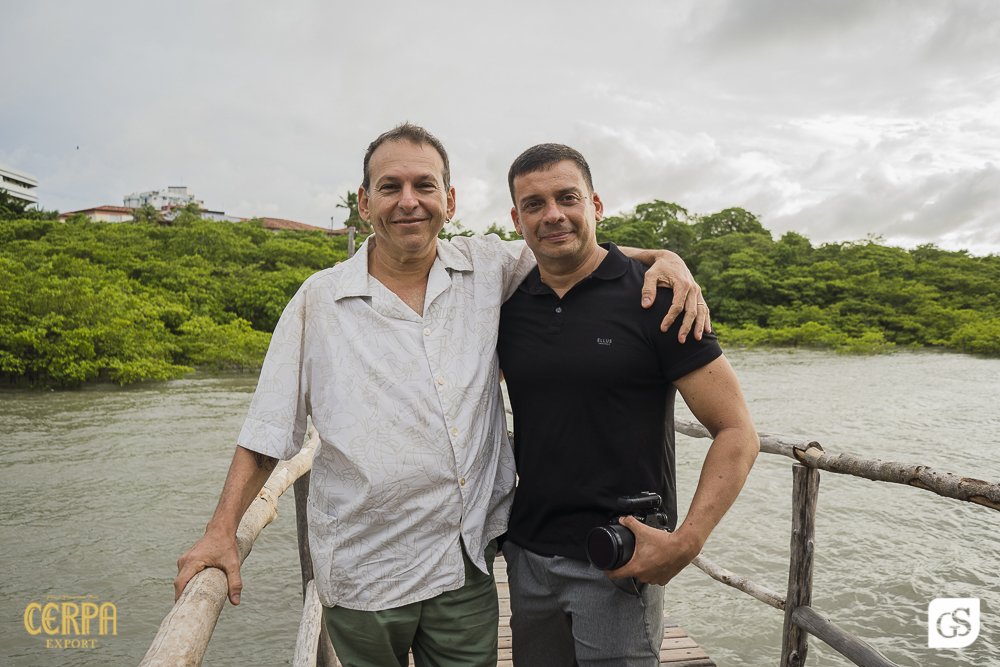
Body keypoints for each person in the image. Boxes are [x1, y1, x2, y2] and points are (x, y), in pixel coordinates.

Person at [173, 124, 709, 667]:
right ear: (364, 202)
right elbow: (268, 430)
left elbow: (571, 245)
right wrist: (221, 532)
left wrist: (663, 257)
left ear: (449, 201)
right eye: (390, 187)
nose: (408, 201)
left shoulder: (488, 268)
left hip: (463, 568)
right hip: (363, 570)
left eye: (424, 185)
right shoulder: (319, 301)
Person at [497, 143, 759, 666]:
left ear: (595, 205)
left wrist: (688, 541)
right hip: (528, 555)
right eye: (534, 204)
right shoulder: (506, 302)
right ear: (517, 219)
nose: (553, 214)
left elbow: (737, 432)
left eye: (568, 197)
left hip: (620, 559)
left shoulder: (658, 297)